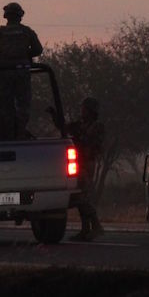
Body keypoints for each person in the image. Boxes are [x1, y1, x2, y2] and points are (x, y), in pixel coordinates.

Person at [0, 2, 43, 140]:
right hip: (22, 72)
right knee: (23, 105)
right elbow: (38, 49)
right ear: (20, 16)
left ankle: (9, 134)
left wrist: (1, 61)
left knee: (6, 105)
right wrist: (25, 56)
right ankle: (20, 132)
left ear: (6, 16)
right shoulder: (27, 32)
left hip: (5, 73)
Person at [58, 97, 106, 241]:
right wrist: (55, 115)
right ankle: (85, 229)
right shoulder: (81, 124)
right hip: (79, 162)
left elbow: (92, 143)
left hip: (87, 163)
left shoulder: (97, 126)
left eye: (84, 108)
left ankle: (96, 226)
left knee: (83, 197)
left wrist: (80, 137)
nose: (82, 111)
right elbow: (64, 127)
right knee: (79, 196)